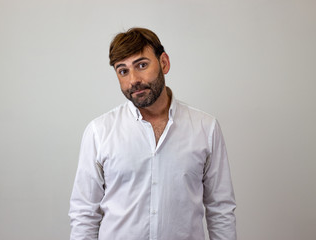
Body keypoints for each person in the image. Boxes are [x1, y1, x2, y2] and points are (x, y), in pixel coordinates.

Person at [69, 27, 236, 240]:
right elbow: (84, 213)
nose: (133, 80)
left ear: (164, 63)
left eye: (142, 65)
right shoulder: (99, 132)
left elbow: (220, 209)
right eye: (123, 71)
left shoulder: (206, 128)